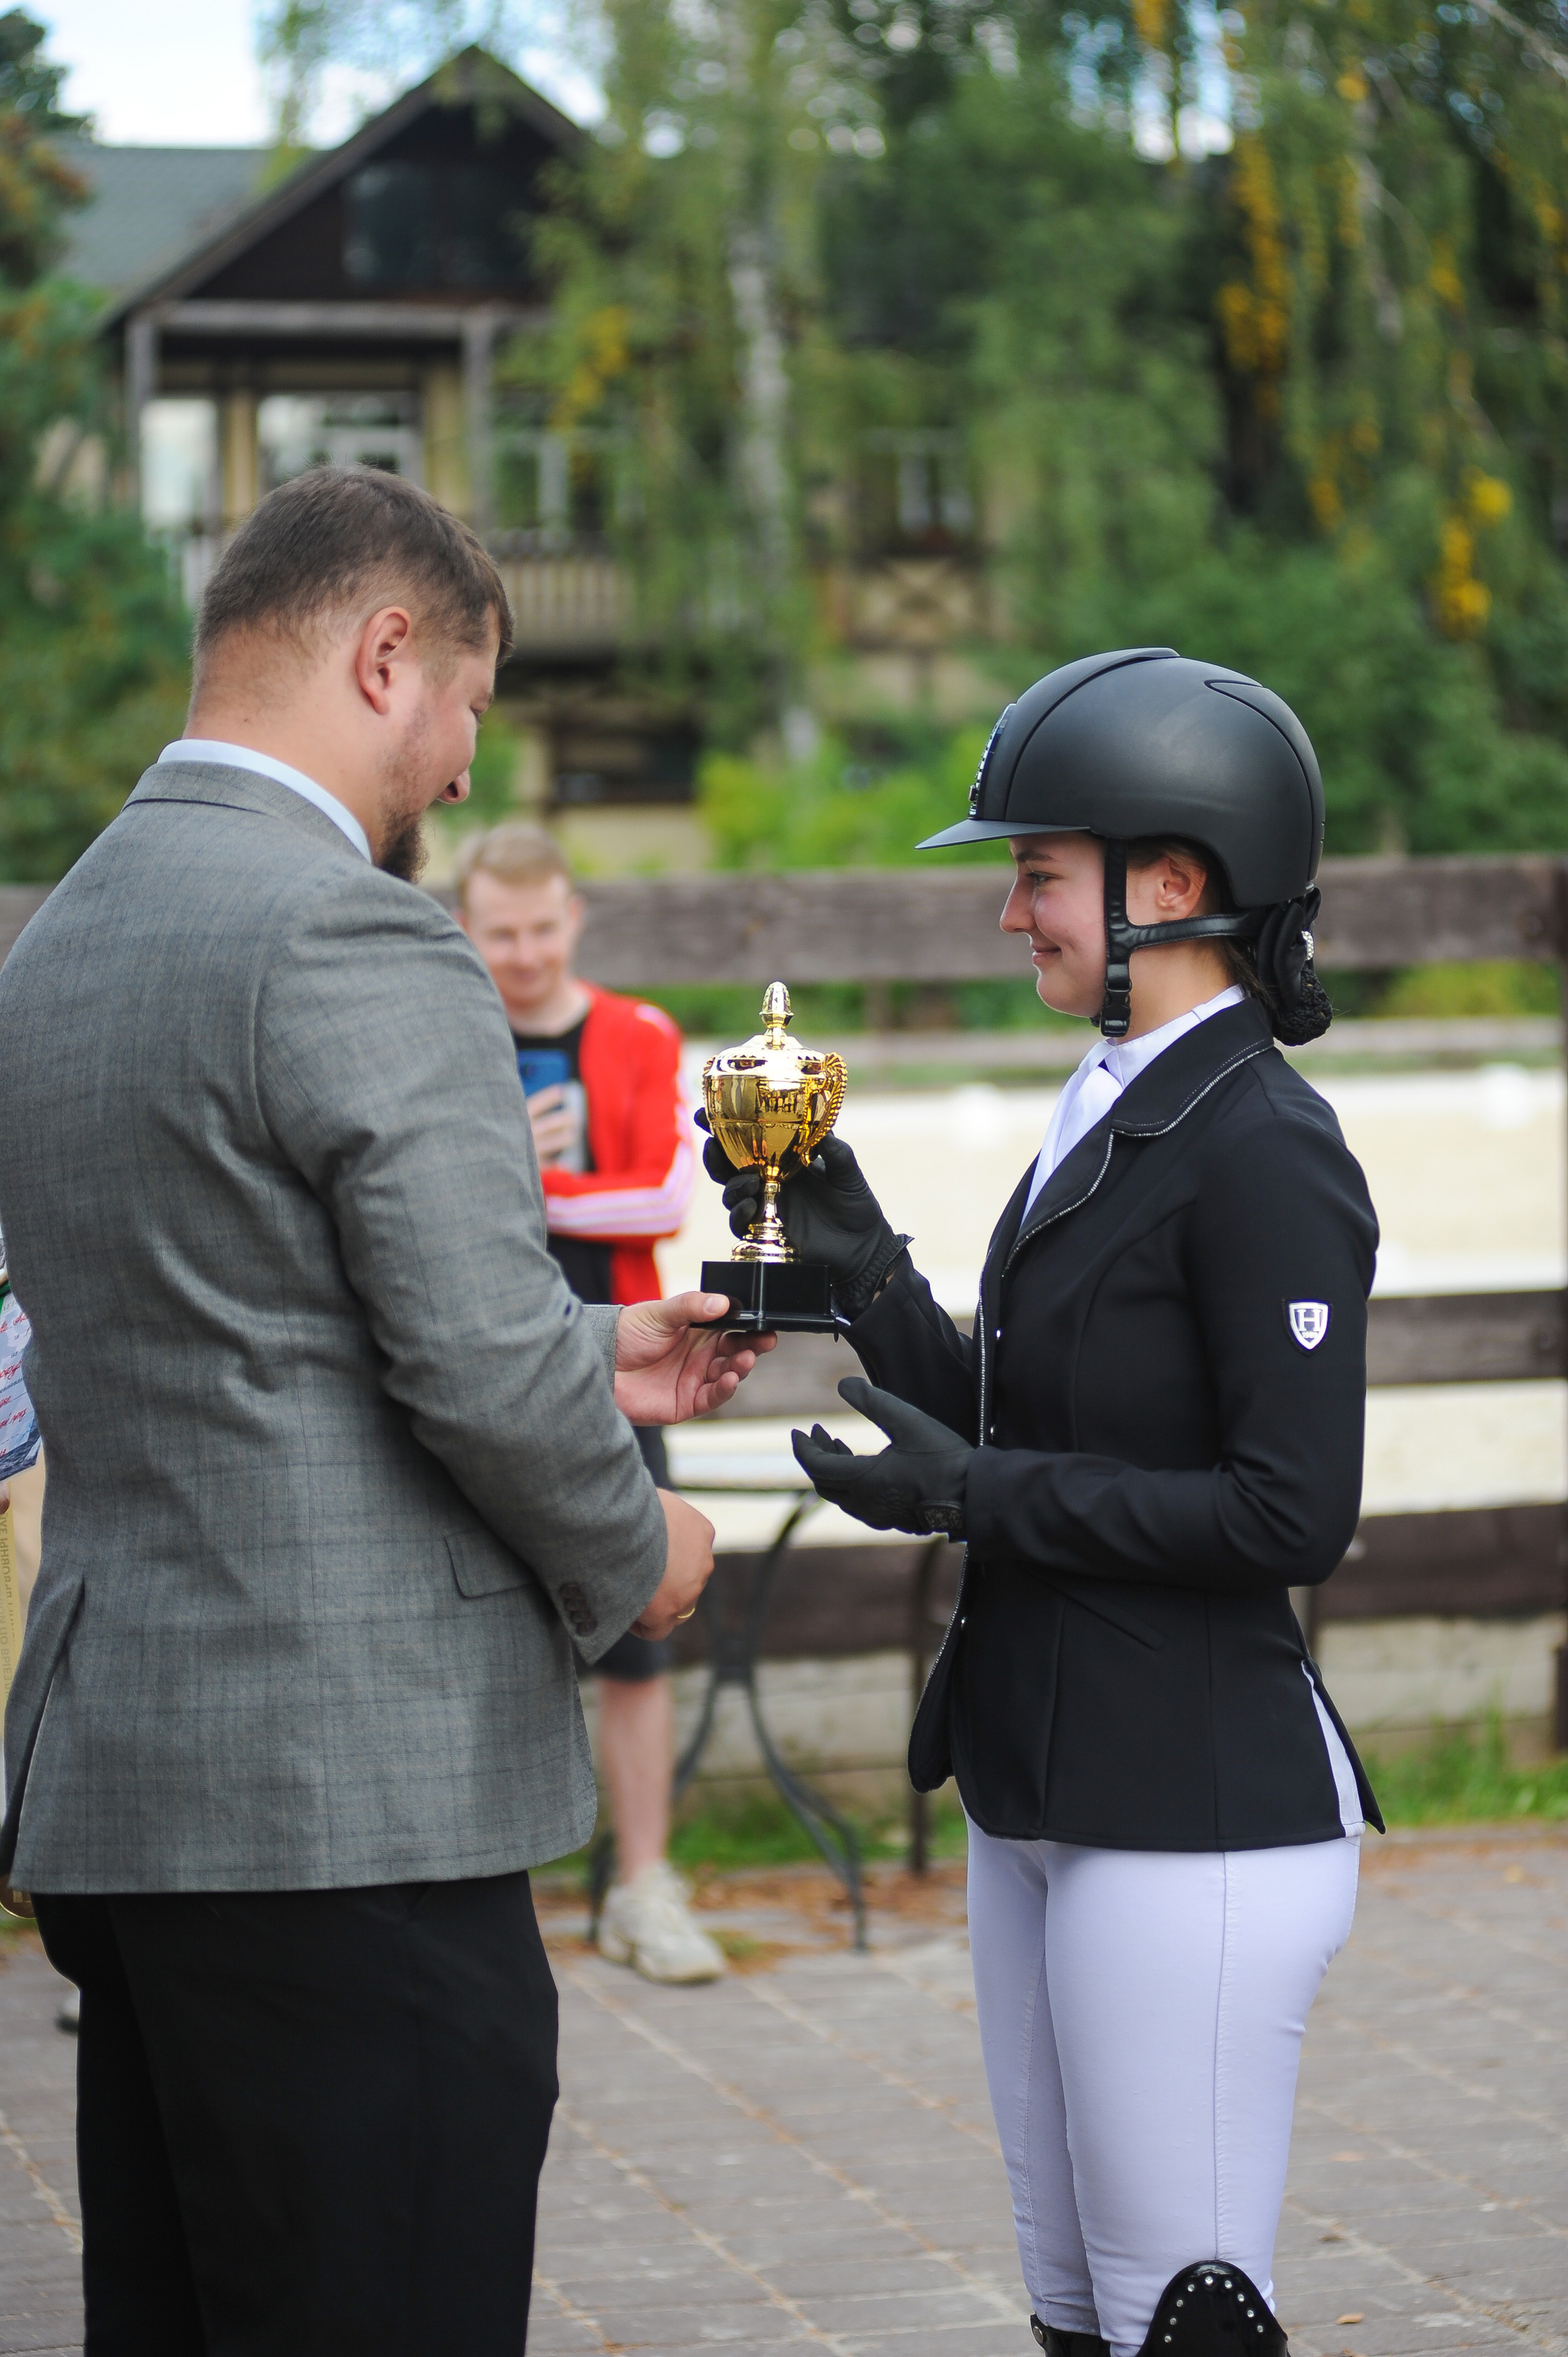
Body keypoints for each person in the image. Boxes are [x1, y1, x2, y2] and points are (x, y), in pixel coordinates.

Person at [0, 465, 770, 2357]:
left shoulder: (57, 944)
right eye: (468, 720)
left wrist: (598, 1349)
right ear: (385, 651)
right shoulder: (354, 935)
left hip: (135, 1792)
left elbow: (237, 1319)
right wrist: (641, 1543)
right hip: (350, 1807)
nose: (458, 779)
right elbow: (473, 1367)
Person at [705, 649, 1382, 2357]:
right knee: (1074, 2307)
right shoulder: (1110, 1102)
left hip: (1193, 1804)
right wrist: (863, 1271)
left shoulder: (1267, 1148)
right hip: (1040, 1782)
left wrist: (978, 1492)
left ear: (1172, 883)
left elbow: (1288, 1516)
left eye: (1034, 873)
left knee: (1181, 2315)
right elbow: (1024, 1415)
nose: (1012, 913)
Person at [456, 821, 725, 1984]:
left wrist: (518, 1177)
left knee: (634, 1635)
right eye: (497, 931)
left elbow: (661, 1198)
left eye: (538, 927)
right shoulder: (443, 1027)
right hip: (470, 1366)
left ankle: (643, 1887)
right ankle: (476, 1900)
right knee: (471, 1631)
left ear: (573, 919)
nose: (520, 952)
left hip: (621, 1366)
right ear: (468, 929)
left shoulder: (637, 1032)